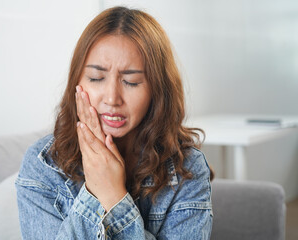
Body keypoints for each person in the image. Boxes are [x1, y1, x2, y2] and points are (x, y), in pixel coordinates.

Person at [16, 6, 213, 240]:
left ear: (157, 91)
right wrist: (97, 194)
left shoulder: (187, 169)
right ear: (77, 83)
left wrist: (112, 195)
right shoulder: (43, 164)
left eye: (130, 81)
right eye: (96, 78)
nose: (111, 98)